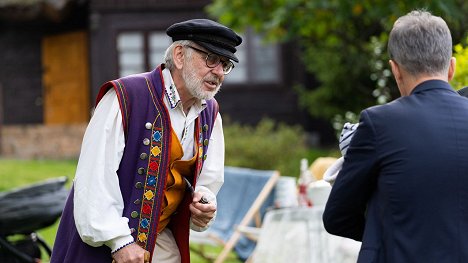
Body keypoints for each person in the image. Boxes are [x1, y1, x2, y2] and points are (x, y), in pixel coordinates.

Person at [50, 19, 242, 263]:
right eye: (211, 60)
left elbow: (207, 182)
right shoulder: (125, 97)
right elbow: (93, 179)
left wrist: (203, 207)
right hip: (104, 248)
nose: (218, 72)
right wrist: (120, 242)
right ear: (180, 55)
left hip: (161, 242)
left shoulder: (210, 113)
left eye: (225, 65)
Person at [323, 10, 468, 262]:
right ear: (452, 67)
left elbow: (337, 216)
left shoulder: (379, 123)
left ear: (395, 70)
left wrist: (389, 231)